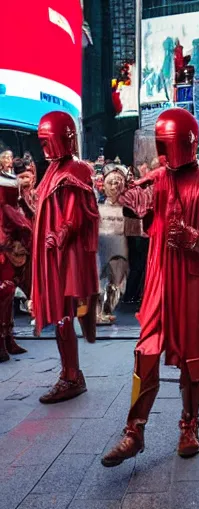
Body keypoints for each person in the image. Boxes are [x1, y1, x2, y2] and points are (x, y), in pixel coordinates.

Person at [101, 108, 199, 467]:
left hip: (192, 282)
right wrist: (122, 189)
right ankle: (134, 431)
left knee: (192, 358)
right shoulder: (157, 180)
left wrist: (193, 236)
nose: (159, 151)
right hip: (160, 279)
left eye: (164, 143)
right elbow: (135, 204)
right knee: (145, 351)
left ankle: (189, 425)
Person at [32, 111, 99, 403]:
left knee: (63, 317)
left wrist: (60, 234)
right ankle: (69, 373)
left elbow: (76, 211)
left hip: (66, 256)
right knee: (59, 316)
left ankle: (72, 376)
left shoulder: (76, 169)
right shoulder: (52, 170)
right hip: (52, 254)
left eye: (48, 140)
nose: (45, 147)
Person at [0, 166, 31, 362]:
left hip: (9, 244)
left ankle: (7, 338)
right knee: (4, 291)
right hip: (5, 246)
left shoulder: (8, 181)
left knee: (8, 293)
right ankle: (2, 342)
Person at [97, 164, 129, 324]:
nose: (115, 186)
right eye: (111, 183)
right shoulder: (96, 203)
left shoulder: (128, 205)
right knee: (98, 279)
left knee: (116, 280)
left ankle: (108, 310)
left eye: (118, 183)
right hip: (100, 243)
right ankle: (95, 313)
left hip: (119, 243)